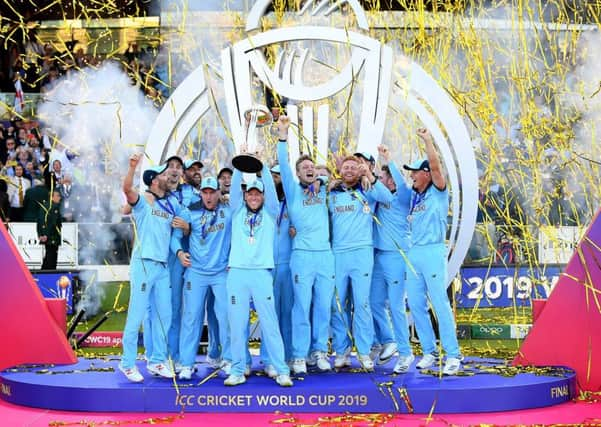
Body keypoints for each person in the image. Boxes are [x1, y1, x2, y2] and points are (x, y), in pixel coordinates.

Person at [224, 163, 293, 387]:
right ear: (245, 196)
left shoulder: (271, 212)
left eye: (258, 193)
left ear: (263, 196)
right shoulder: (236, 210)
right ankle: (237, 369)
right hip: (237, 273)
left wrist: (262, 169)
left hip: (262, 273)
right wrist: (238, 166)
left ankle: (282, 370)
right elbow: (235, 189)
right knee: (237, 323)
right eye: (250, 193)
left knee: (270, 322)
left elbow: (272, 193)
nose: (254, 197)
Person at [276, 116, 334, 374]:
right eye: (304, 167)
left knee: (323, 305)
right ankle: (299, 356)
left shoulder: (322, 190)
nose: (309, 169)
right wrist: (283, 135)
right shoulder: (292, 190)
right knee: (301, 305)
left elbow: (333, 177)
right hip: (301, 256)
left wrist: (321, 179)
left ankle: (319, 351)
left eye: (312, 166)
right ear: (298, 173)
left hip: (325, 256)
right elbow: (283, 165)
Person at [402, 128, 462, 375]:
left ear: (426, 174)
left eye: (415, 172)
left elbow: (436, 167)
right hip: (413, 253)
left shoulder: (438, 191)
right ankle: (429, 351)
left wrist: (427, 139)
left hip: (433, 251)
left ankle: (453, 355)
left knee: (439, 302)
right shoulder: (416, 198)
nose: (412, 176)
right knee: (415, 304)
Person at [328, 155, 393, 371]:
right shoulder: (332, 193)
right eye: (345, 167)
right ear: (340, 170)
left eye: (353, 167)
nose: (348, 170)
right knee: (338, 304)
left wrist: (370, 176)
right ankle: (342, 351)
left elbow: (387, 198)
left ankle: (364, 352)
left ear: (359, 171)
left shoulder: (367, 189)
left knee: (362, 303)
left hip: (362, 253)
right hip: (338, 253)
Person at [119, 153, 176, 383]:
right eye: (164, 173)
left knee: (165, 315)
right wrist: (133, 167)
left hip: (162, 267)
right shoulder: (143, 202)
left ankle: (157, 361)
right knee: (137, 315)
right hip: (143, 264)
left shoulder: (167, 205)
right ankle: (127, 363)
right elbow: (126, 189)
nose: (167, 175)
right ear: (154, 180)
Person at [171, 176, 232, 380]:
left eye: (211, 192)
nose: (208, 196)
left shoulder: (228, 211)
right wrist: (180, 253)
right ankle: (187, 364)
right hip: (196, 272)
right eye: (204, 192)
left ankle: (229, 359)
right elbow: (175, 238)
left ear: (218, 193)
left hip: (221, 272)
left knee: (225, 316)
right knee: (191, 317)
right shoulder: (190, 212)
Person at [371, 146, 414, 373]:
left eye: (383, 177)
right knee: (375, 302)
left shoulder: (405, 196)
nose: (380, 179)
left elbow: (400, 181)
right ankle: (389, 341)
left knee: (396, 306)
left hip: (398, 256)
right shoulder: (379, 198)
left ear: (390, 179)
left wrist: (389, 160)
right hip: (378, 256)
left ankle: (406, 354)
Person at [37, 190, 62, 270]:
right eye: (57, 196)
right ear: (52, 197)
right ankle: (49, 276)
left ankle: (42, 275)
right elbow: (53, 223)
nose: (59, 198)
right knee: (52, 258)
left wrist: (41, 234)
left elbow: (40, 222)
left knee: (48, 255)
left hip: (46, 235)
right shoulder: (54, 207)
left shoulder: (44, 206)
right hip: (52, 236)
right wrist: (46, 235)